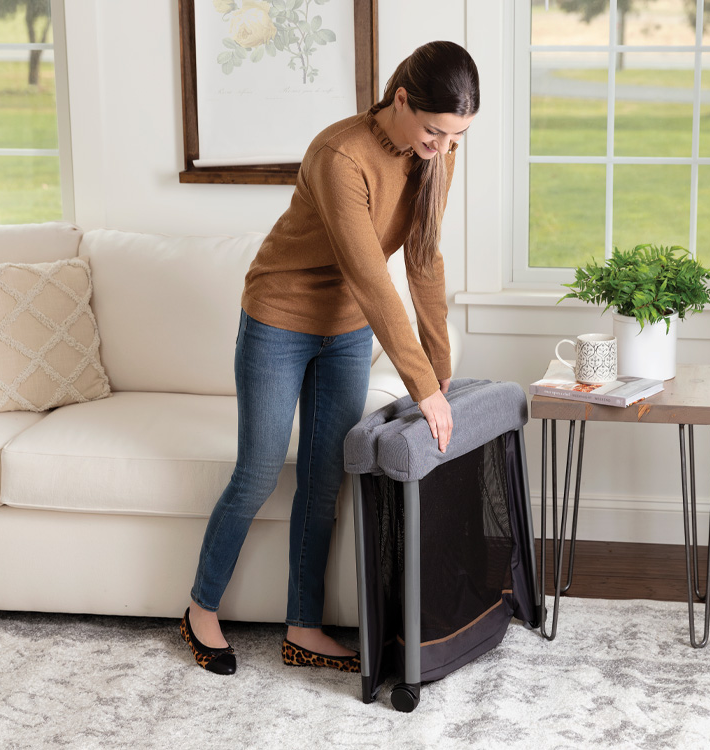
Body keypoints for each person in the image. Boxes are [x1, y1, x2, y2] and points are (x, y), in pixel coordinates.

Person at [180, 40, 480, 675]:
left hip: (346, 331)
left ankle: (303, 626)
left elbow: (423, 256)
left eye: (456, 137)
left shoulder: (438, 156)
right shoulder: (340, 153)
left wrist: (440, 362)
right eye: (435, 132)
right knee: (259, 472)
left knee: (324, 480)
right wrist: (420, 386)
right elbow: (371, 276)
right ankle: (201, 609)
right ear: (401, 98)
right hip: (278, 320)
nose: (444, 148)